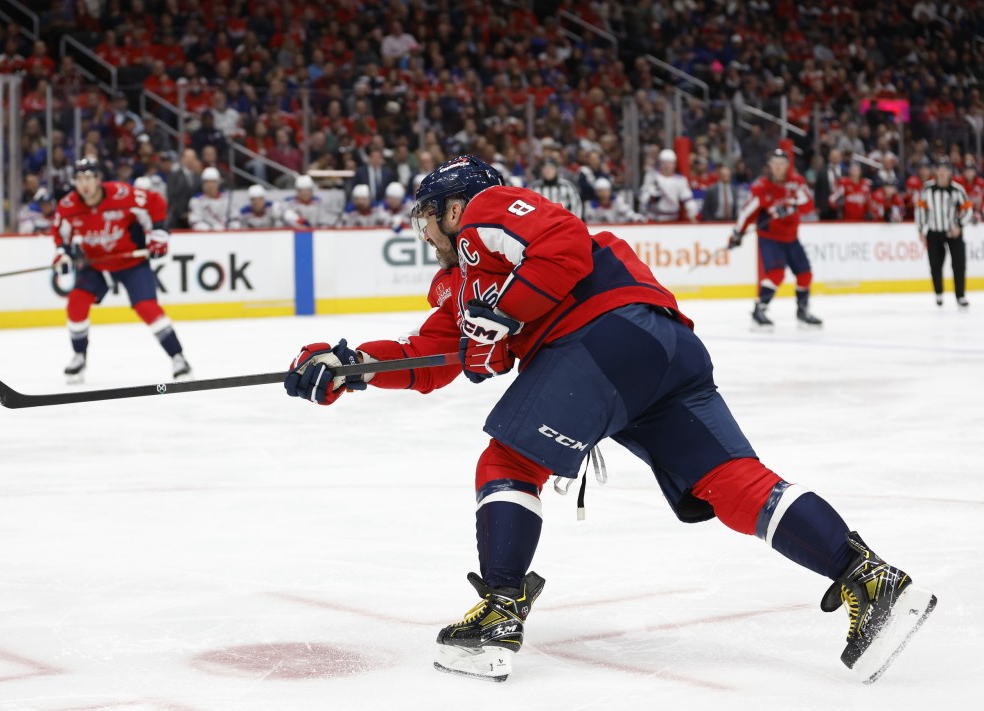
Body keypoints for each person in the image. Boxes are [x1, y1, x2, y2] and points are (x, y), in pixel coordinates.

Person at [281, 155, 936, 683]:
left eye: (428, 217)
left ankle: (501, 611)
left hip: (600, 332)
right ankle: (868, 577)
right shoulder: (460, 286)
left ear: (453, 208)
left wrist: (504, 313)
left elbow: (563, 242)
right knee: (730, 478)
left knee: (508, 462)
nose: (424, 232)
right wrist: (349, 366)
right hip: (661, 350)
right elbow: (435, 356)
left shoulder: (485, 212)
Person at [51, 158, 191, 383]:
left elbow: (155, 202)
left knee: (147, 307)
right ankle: (79, 355)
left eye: (89, 178)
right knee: (76, 302)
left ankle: (178, 358)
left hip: (131, 263)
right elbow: (61, 235)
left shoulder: (122, 194)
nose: (84, 184)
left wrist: (158, 235)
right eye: (79, 179)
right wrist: (63, 253)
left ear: (98, 179)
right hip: (96, 264)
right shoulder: (68, 206)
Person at [730, 149, 822, 328]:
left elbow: (808, 204)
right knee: (776, 274)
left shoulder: (796, 183)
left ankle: (802, 311)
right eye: (775, 164)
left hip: (791, 237)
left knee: (805, 274)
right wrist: (737, 233)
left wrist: (791, 205)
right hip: (770, 238)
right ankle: (760, 309)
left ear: (787, 166)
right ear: (770, 166)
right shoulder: (761, 186)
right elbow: (748, 212)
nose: (779, 167)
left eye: (782, 164)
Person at [916, 157, 972, 308]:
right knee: (935, 265)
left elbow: (968, 209)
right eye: (939, 168)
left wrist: (959, 225)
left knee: (959, 264)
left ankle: (960, 296)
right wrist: (921, 230)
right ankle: (939, 293)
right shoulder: (927, 189)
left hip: (953, 232)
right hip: (934, 232)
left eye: (945, 169)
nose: (941, 172)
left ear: (950, 172)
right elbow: (921, 209)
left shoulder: (957, 189)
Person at [639, 149, 698, 222]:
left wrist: (692, 214)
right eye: (664, 163)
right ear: (660, 163)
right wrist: (650, 196)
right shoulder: (652, 177)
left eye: (670, 163)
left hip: (672, 219)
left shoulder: (680, 180)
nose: (667, 166)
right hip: (653, 218)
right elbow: (643, 197)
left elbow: (688, 198)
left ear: (674, 164)